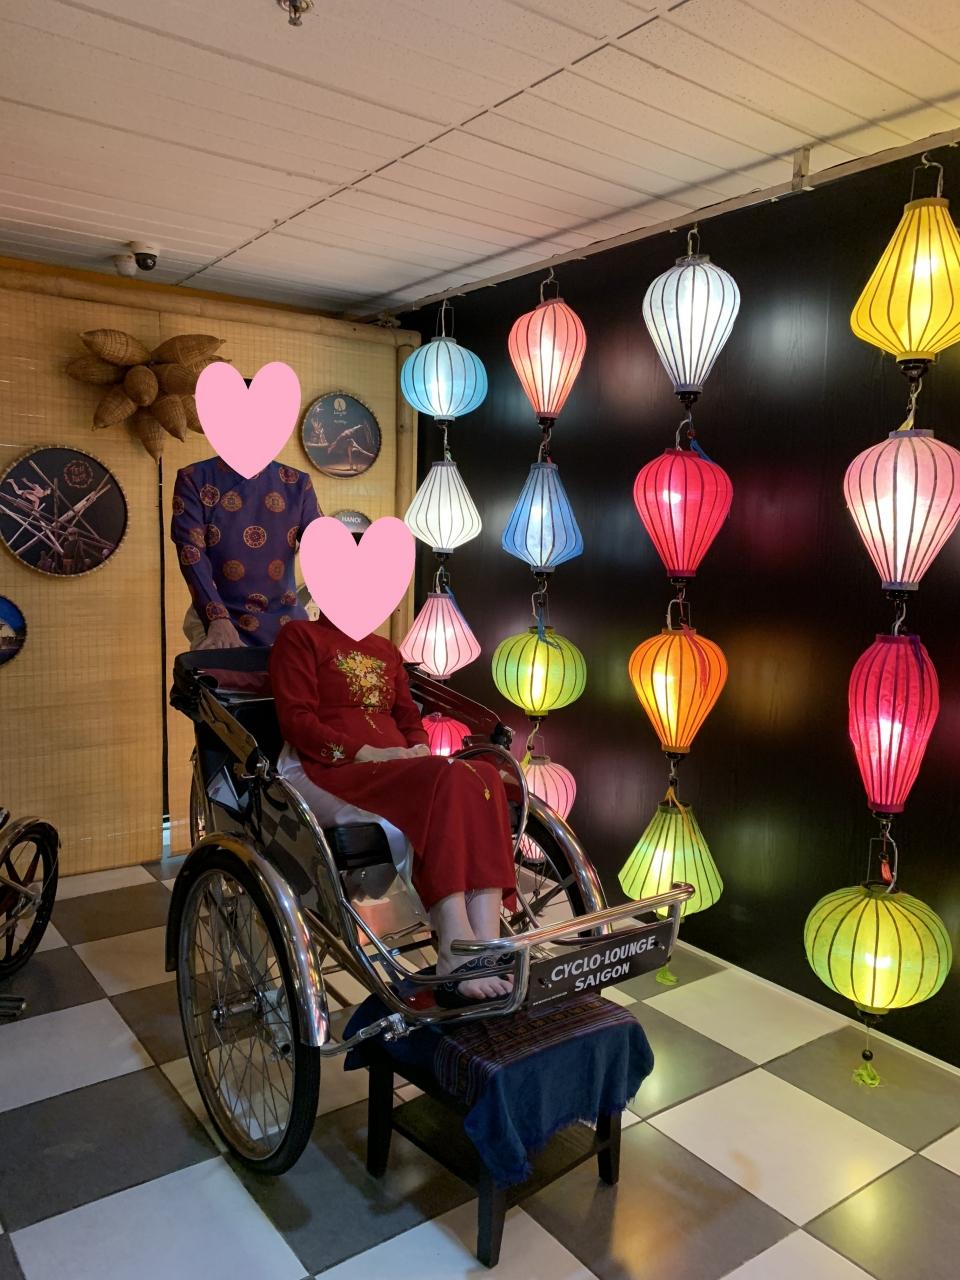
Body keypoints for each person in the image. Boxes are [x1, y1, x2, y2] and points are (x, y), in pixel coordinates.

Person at [269, 617, 518, 1005]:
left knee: (484, 774)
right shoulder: (301, 636)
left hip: (396, 762)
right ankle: (454, 943)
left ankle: (485, 940)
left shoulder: (385, 649)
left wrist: (419, 749)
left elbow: (408, 718)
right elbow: (297, 721)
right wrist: (367, 753)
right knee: (444, 779)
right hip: (331, 764)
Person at [171, 457, 322, 649]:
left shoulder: (298, 483)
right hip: (220, 616)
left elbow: (323, 552)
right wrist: (217, 618)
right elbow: (191, 553)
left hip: (286, 619)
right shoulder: (195, 477)